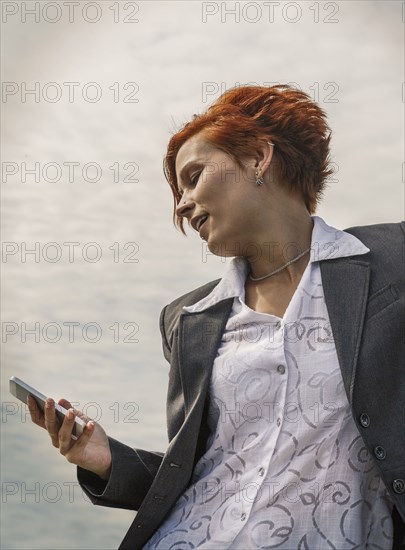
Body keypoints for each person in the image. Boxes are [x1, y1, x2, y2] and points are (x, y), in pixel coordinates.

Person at [29, 84, 404, 549]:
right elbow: (210, 473)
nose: (182, 205)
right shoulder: (188, 319)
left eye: (193, 176)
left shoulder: (392, 258)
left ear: (258, 159)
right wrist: (107, 459)